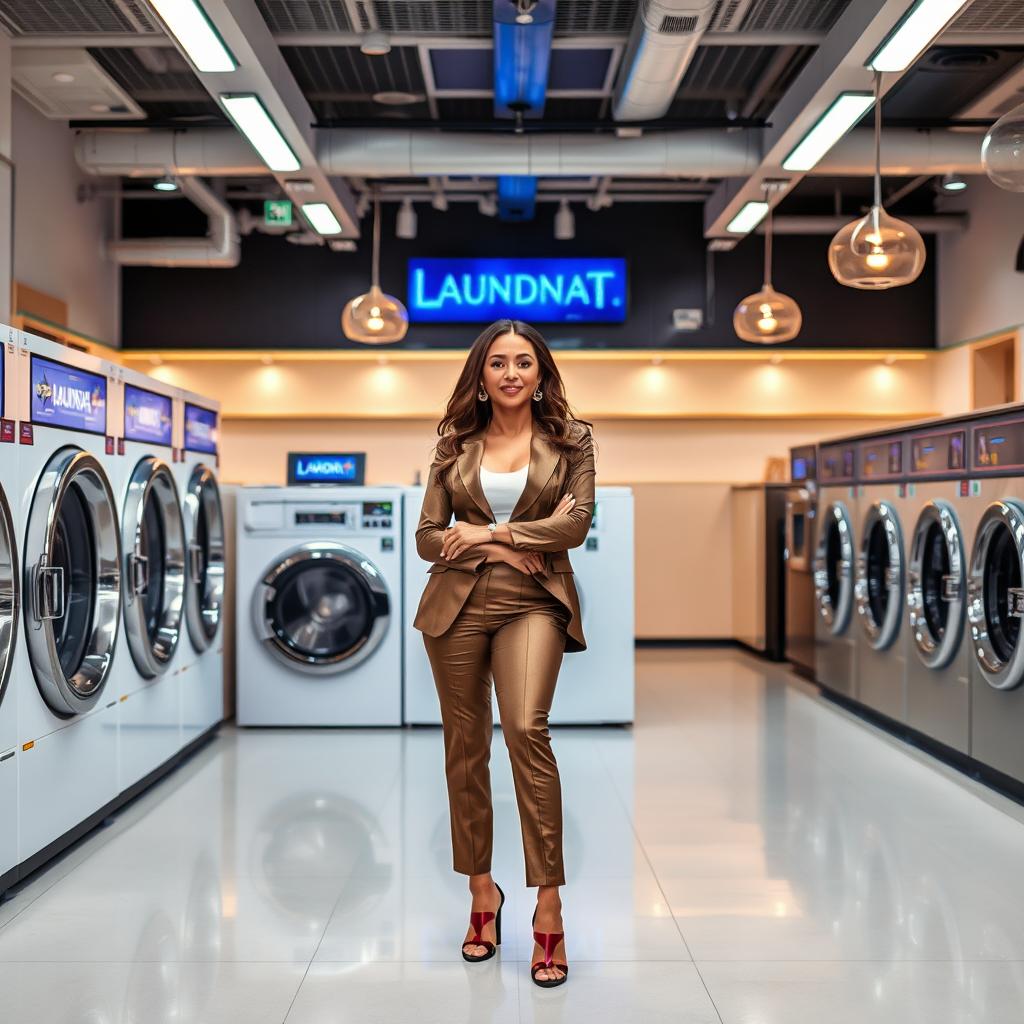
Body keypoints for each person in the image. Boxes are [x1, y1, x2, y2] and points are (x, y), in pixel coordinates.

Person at [413, 318, 596, 987]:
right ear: (481, 376)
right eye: (498, 363)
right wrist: (507, 544)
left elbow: (574, 524)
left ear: (541, 373)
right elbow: (430, 538)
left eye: (524, 361)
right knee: (466, 745)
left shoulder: (572, 440)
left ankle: (548, 903)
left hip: (534, 601)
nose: (512, 372)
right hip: (456, 606)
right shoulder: (453, 443)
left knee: (525, 730)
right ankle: (482, 894)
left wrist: (487, 532)